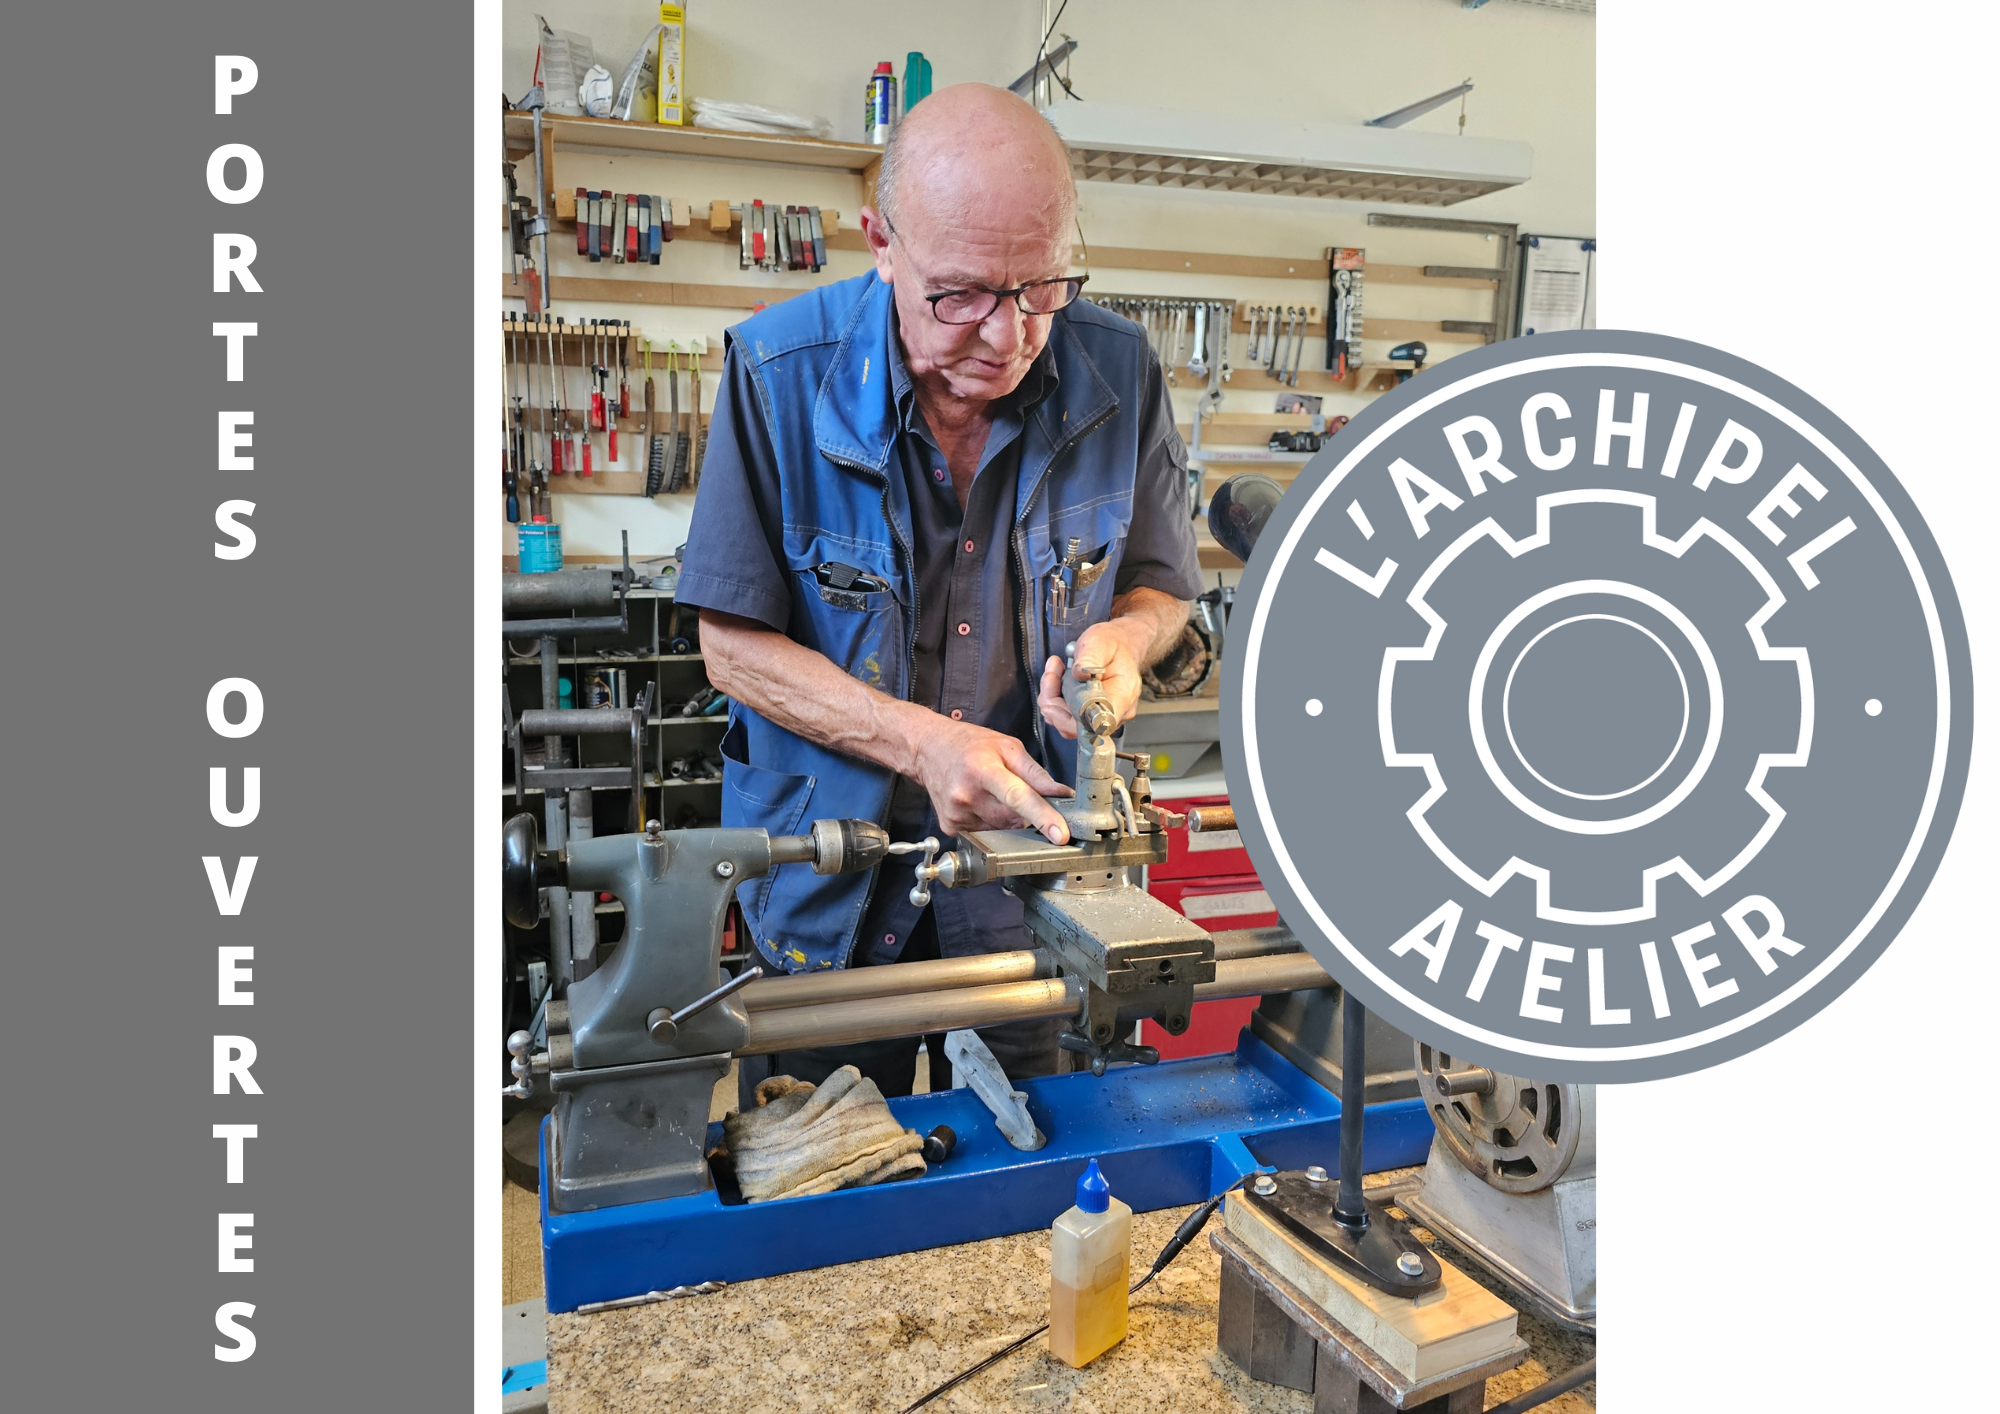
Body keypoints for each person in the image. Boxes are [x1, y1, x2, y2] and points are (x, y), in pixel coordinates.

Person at [677, 83, 1202, 1098]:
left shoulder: (1120, 371)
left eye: (1040, 287)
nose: (1007, 338)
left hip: (1035, 894)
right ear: (881, 243)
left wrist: (1125, 645)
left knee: (1034, 1172)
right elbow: (729, 648)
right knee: (829, 1169)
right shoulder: (777, 374)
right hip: (828, 894)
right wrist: (921, 743)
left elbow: (1160, 586)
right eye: (961, 295)